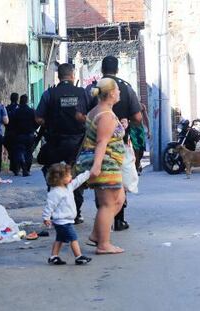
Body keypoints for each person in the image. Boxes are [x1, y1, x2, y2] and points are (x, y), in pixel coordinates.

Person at [83, 56, 142, 231]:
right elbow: (138, 117)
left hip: (97, 148)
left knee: (104, 191)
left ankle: (102, 227)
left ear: (102, 69)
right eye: (117, 93)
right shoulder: (125, 88)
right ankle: (111, 225)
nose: (119, 94)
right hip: (113, 151)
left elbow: (82, 116)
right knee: (116, 192)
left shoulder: (92, 90)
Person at [76, 78, 126, 254]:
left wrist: (122, 126)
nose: (119, 92)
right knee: (108, 204)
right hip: (106, 164)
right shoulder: (105, 115)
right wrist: (97, 166)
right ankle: (103, 244)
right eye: (118, 90)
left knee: (118, 200)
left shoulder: (98, 111)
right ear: (111, 93)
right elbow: (101, 142)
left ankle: (97, 235)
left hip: (109, 163)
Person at [36, 63, 89, 224]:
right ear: (73, 76)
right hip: (78, 144)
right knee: (75, 177)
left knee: (55, 175)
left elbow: (38, 118)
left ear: (58, 76)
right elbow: (91, 115)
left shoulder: (49, 94)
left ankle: (55, 212)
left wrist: (49, 123)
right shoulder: (83, 93)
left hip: (55, 143)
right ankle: (77, 213)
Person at [42, 162, 92, 265]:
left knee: (59, 239)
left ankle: (53, 256)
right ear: (60, 178)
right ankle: (79, 257)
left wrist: (88, 173)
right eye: (68, 175)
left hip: (66, 220)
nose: (71, 176)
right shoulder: (55, 192)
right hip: (62, 221)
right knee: (73, 238)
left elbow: (78, 181)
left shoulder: (68, 187)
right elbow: (49, 206)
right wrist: (46, 217)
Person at [11, 94, 38, 176]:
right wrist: (33, 128)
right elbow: (37, 122)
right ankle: (27, 169)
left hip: (19, 135)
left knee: (19, 151)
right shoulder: (32, 111)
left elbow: (12, 123)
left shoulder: (16, 111)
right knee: (29, 152)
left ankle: (21, 166)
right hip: (29, 135)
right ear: (27, 101)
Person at [130, 104, 150, 175]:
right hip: (132, 129)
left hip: (140, 129)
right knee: (136, 149)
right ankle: (136, 168)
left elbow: (146, 118)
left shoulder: (142, 106)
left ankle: (138, 163)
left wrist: (149, 130)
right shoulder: (129, 106)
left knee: (141, 149)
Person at [4, 93, 19, 175]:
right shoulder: (19, 108)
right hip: (17, 132)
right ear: (17, 99)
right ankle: (15, 167)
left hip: (8, 131)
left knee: (11, 150)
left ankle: (13, 166)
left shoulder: (7, 108)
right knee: (16, 150)